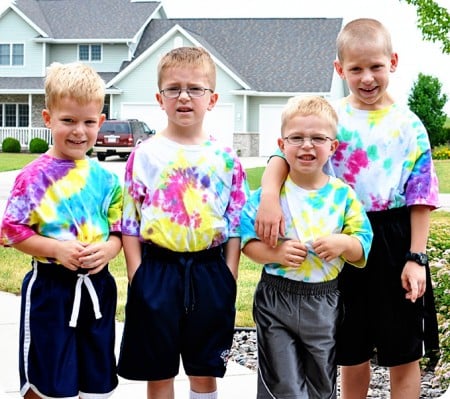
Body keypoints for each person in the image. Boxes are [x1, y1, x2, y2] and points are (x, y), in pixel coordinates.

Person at [255, 18, 440, 399]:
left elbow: (420, 197)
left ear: (393, 61)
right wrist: (270, 197)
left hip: (394, 241)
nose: (367, 77)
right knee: (350, 352)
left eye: (375, 66)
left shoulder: (410, 125)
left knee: (403, 352)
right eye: (355, 69)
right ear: (340, 69)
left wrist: (416, 257)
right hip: (339, 239)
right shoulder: (331, 118)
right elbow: (280, 156)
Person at [117, 46, 248, 399]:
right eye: (173, 88)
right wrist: (137, 275)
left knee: (205, 370)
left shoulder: (225, 158)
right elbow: (129, 221)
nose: (184, 97)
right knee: (158, 372)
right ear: (160, 98)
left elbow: (235, 222)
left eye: (195, 88)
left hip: (210, 271)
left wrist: (229, 275)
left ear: (213, 98)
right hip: (157, 271)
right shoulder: (144, 154)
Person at [0, 62, 123, 399]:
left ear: (100, 122)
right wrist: (56, 249)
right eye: (68, 120)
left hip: (98, 287)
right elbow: (11, 231)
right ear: (48, 119)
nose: (78, 131)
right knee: (48, 381)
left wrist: (110, 249)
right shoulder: (33, 176)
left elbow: (119, 231)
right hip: (51, 289)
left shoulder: (108, 180)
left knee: (96, 380)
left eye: (87, 122)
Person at [240, 95, 373, 399]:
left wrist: (343, 243)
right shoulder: (269, 197)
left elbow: (362, 243)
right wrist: (274, 254)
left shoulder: (343, 196)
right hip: (278, 296)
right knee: (282, 383)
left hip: (324, 301)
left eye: (317, 138)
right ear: (281, 144)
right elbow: (246, 240)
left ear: (333, 146)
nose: (307, 145)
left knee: (321, 383)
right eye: (296, 138)